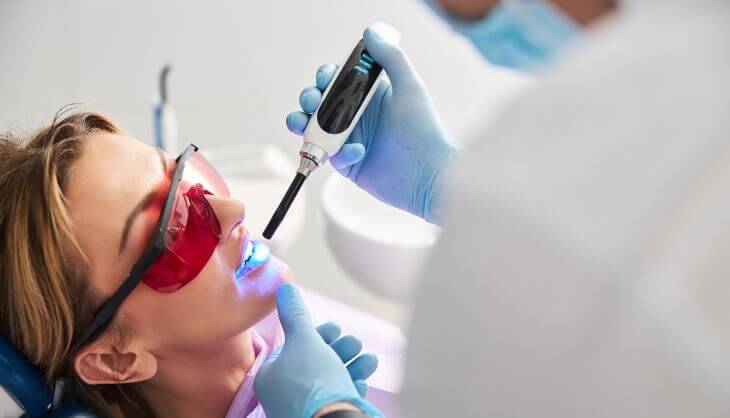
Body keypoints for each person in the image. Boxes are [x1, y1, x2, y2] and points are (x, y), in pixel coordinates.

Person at [254, 0, 730, 417]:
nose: (233, 209)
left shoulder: (519, 213)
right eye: (178, 218)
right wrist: (440, 184)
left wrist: (329, 412)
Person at [0, 111, 404, 418]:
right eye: (175, 230)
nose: (232, 210)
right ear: (116, 358)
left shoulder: (265, 310)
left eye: (188, 176)